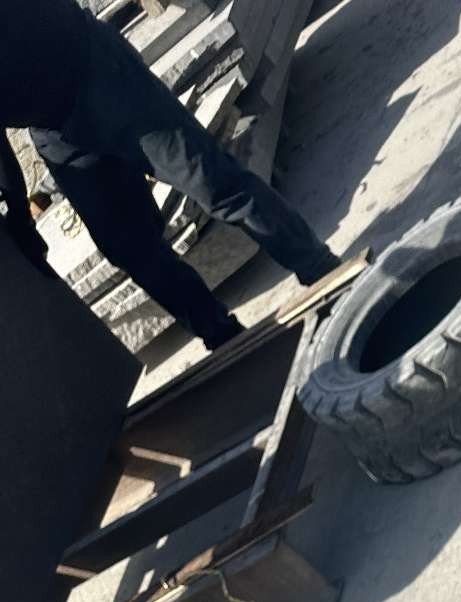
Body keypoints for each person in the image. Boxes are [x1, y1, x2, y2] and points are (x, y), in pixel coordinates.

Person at [0, 0, 338, 350]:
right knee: (131, 247)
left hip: (98, 71)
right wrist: (21, 221)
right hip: (54, 129)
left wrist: (22, 218)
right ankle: (222, 336)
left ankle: (320, 269)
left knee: (211, 181)